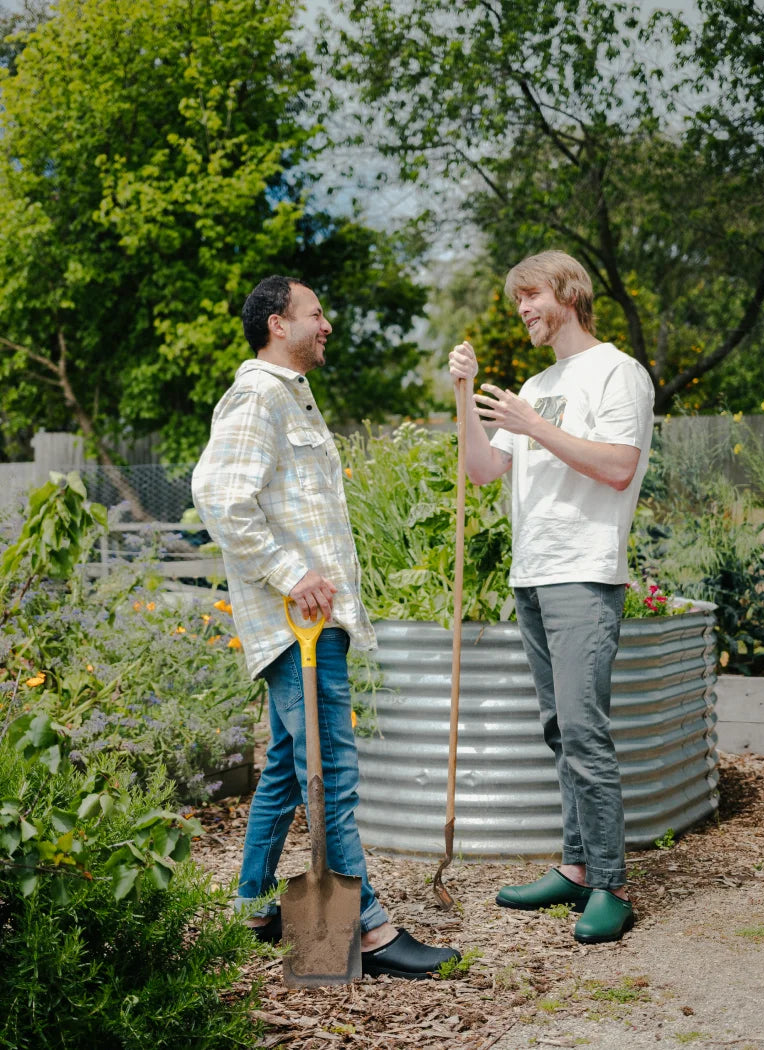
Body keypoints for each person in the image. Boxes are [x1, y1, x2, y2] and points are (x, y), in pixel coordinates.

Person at [192, 275, 460, 978]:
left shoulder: (291, 399)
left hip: (313, 621)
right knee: (330, 772)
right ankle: (369, 930)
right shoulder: (257, 396)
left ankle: (252, 902)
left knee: (285, 767)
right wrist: (292, 574)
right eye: (316, 313)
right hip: (296, 621)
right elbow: (219, 498)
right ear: (279, 324)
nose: (328, 324)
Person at [449, 250, 654, 944]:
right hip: (532, 574)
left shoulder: (617, 372)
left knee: (585, 729)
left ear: (566, 292)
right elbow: (482, 472)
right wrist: (466, 394)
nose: (523, 311)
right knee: (558, 728)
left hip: (584, 570)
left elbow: (619, 467)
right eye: (517, 302)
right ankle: (574, 866)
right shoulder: (536, 382)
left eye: (529, 296)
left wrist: (533, 424)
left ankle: (612, 883)